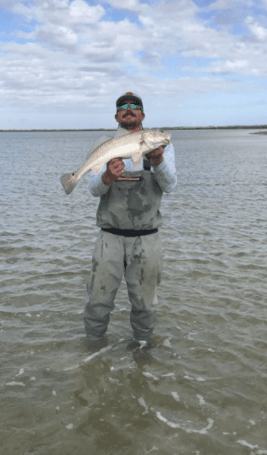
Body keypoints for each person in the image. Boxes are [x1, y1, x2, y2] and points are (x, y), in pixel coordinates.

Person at [83, 92, 177, 350]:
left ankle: (143, 356)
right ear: (116, 116)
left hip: (147, 238)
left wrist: (158, 162)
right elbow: (93, 190)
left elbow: (170, 186)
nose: (128, 109)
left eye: (135, 106)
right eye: (122, 107)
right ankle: (93, 353)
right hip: (109, 237)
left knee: (145, 305)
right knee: (97, 302)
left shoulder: (160, 148)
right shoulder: (105, 145)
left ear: (143, 115)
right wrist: (106, 178)